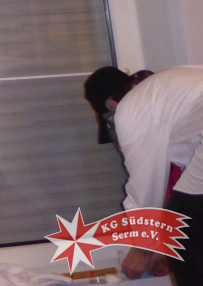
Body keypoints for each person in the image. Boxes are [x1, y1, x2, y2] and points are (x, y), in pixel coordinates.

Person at [85, 65, 203, 284]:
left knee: (184, 227)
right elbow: (187, 179)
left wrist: (142, 250)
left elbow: (145, 185)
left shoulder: (130, 109)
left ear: (113, 106)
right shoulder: (163, 90)